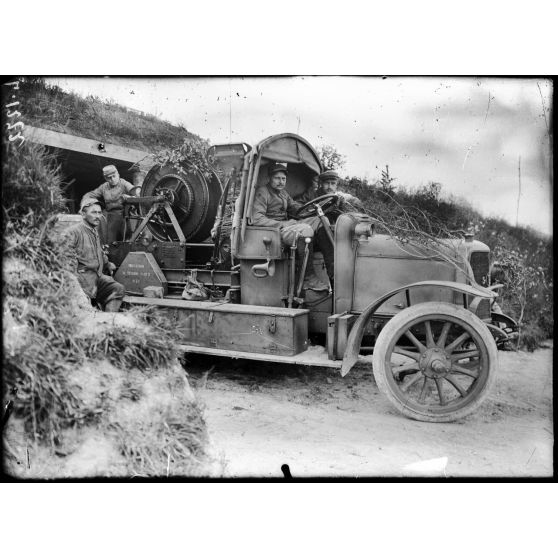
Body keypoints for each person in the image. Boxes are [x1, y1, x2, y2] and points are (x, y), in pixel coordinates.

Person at [252, 162, 334, 292]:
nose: (281, 182)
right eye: (277, 178)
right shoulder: (263, 192)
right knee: (305, 230)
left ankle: (332, 271)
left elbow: (296, 208)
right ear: (270, 178)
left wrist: (314, 208)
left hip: (288, 226)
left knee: (321, 221)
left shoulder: (283, 193)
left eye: (283, 179)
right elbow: (257, 219)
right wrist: (283, 224)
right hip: (274, 231)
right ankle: (308, 278)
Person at [65, 199, 125, 312]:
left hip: (96, 277)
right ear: (83, 214)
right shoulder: (73, 232)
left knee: (117, 289)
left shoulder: (94, 231)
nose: (98, 216)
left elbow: (98, 252)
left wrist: (108, 263)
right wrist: (76, 288)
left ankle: (109, 320)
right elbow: (67, 262)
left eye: (99, 212)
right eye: (94, 212)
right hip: (83, 280)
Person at [80, 165, 137, 244]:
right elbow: (90, 195)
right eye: (109, 178)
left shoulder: (123, 183)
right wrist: (84, 205)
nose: (112, 179)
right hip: (110, 216)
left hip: (124, 216)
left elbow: (134, 190)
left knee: (125, 241)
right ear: (106, 178)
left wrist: (133, 195)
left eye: (114, 176)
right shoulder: (104, 187)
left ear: (118, 174)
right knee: (109, 241)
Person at [297, 169, 364, 221]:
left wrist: (355, 202)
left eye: (333, 183)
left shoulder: (338, 195)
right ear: (321, 184)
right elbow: (297, 206)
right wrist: (310, 210)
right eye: (327, 183)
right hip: (314, 222)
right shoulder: (311, 193)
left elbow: (351, 199)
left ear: (336, 185)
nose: (330, 187)